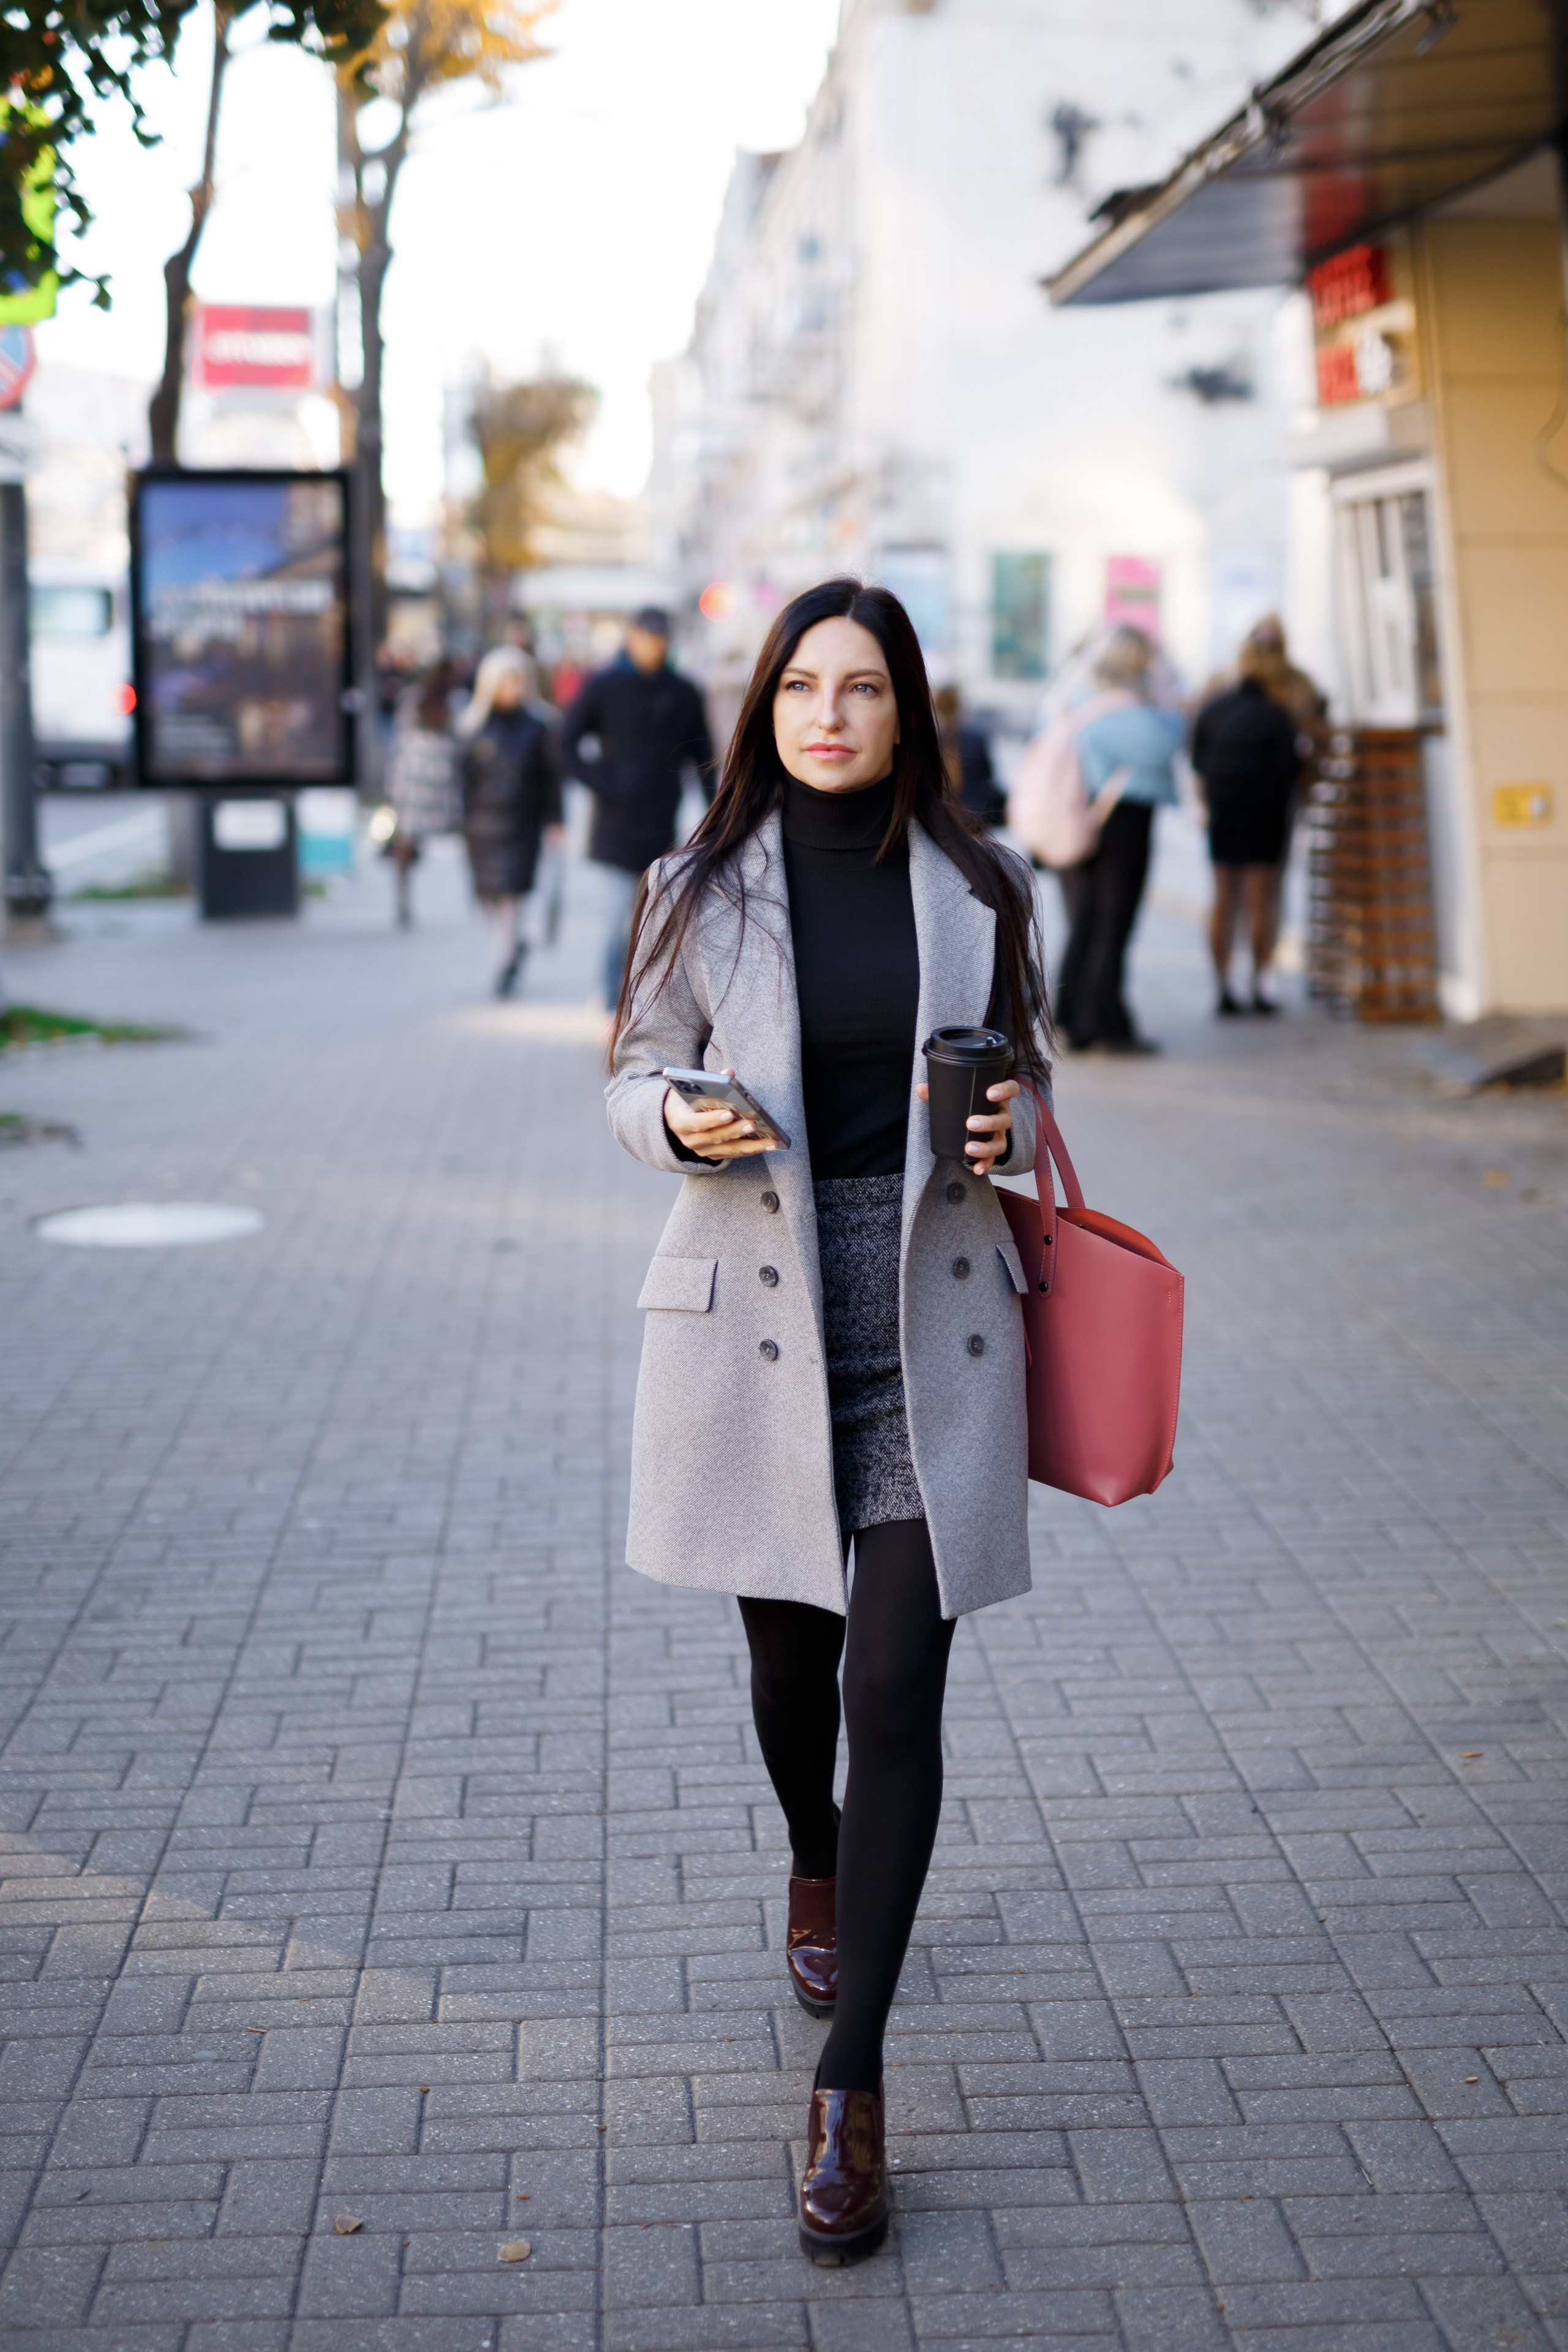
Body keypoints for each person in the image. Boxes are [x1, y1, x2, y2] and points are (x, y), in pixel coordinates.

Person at [606, 578, 1052, 2267]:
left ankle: (851, 2090)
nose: (831, 715)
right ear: (767, 706)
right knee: (795, 1677)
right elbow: (628, 1073)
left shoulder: (984, 882)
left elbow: (1026, 1069)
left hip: (933, 1315)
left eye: (863, 688)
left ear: (906, 709)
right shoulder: (697, 889)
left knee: (897, 1686)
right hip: (759, 1319)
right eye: (804, 685)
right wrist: (679, 1120)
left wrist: (1010, 1123)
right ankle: (813, 1855)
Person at [561, 606, 714, 1009]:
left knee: (657, 925)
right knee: (615, 921)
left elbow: (703, 759)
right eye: (647, 638)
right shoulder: (605, 685)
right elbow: (565, 743)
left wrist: (720, 815)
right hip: (615, 826)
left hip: (662, 827)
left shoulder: (682, 692)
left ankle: (647, 1004)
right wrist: (605, 782)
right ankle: (611, 1000)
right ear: (631, 637)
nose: (654, 647)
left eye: (661, 640)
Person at [1053, 625, 1183, 1055]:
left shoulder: (1069, 697)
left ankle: (1072, 1014)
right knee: (1113, 923)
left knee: (1084, 921)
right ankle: (1105, 1024)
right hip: (1120, 823)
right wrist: (1166, 697)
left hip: (1071, 816)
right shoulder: (1131, 710)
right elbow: (1169, 743)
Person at [1191, 636, 1304, 1015]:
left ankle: (1222, 986)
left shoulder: (1214, 709)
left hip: (1224, 809)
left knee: (1224, 898)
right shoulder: (1277, 715)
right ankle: (1260, 985)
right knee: (1260, 900)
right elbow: (1292, 769)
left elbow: (1197, 762)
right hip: (1265, 812)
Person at [458, 646, 562, 998]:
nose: (512, 690)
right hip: (481, 826)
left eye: (517, 682)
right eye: (505, 683)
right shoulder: (473, 726)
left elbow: (552, 778)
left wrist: (555, 820)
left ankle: (503, 963)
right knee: (488, 896)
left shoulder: (538, 727)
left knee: (511, 896)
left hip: (522, 823)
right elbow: (462, 778)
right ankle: (515, 944)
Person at [383, 660, 458, 929]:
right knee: (410, 842)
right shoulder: (451, 703)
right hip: (438, 782)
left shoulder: (415, 699)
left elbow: (398, 739)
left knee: (404, 842)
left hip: (411, 779)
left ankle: (404, 901)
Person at [933, 684, 1006, 828]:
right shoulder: (975, 739)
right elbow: (988, 774)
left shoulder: (931, 742)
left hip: (942, 817)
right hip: (975, 815)